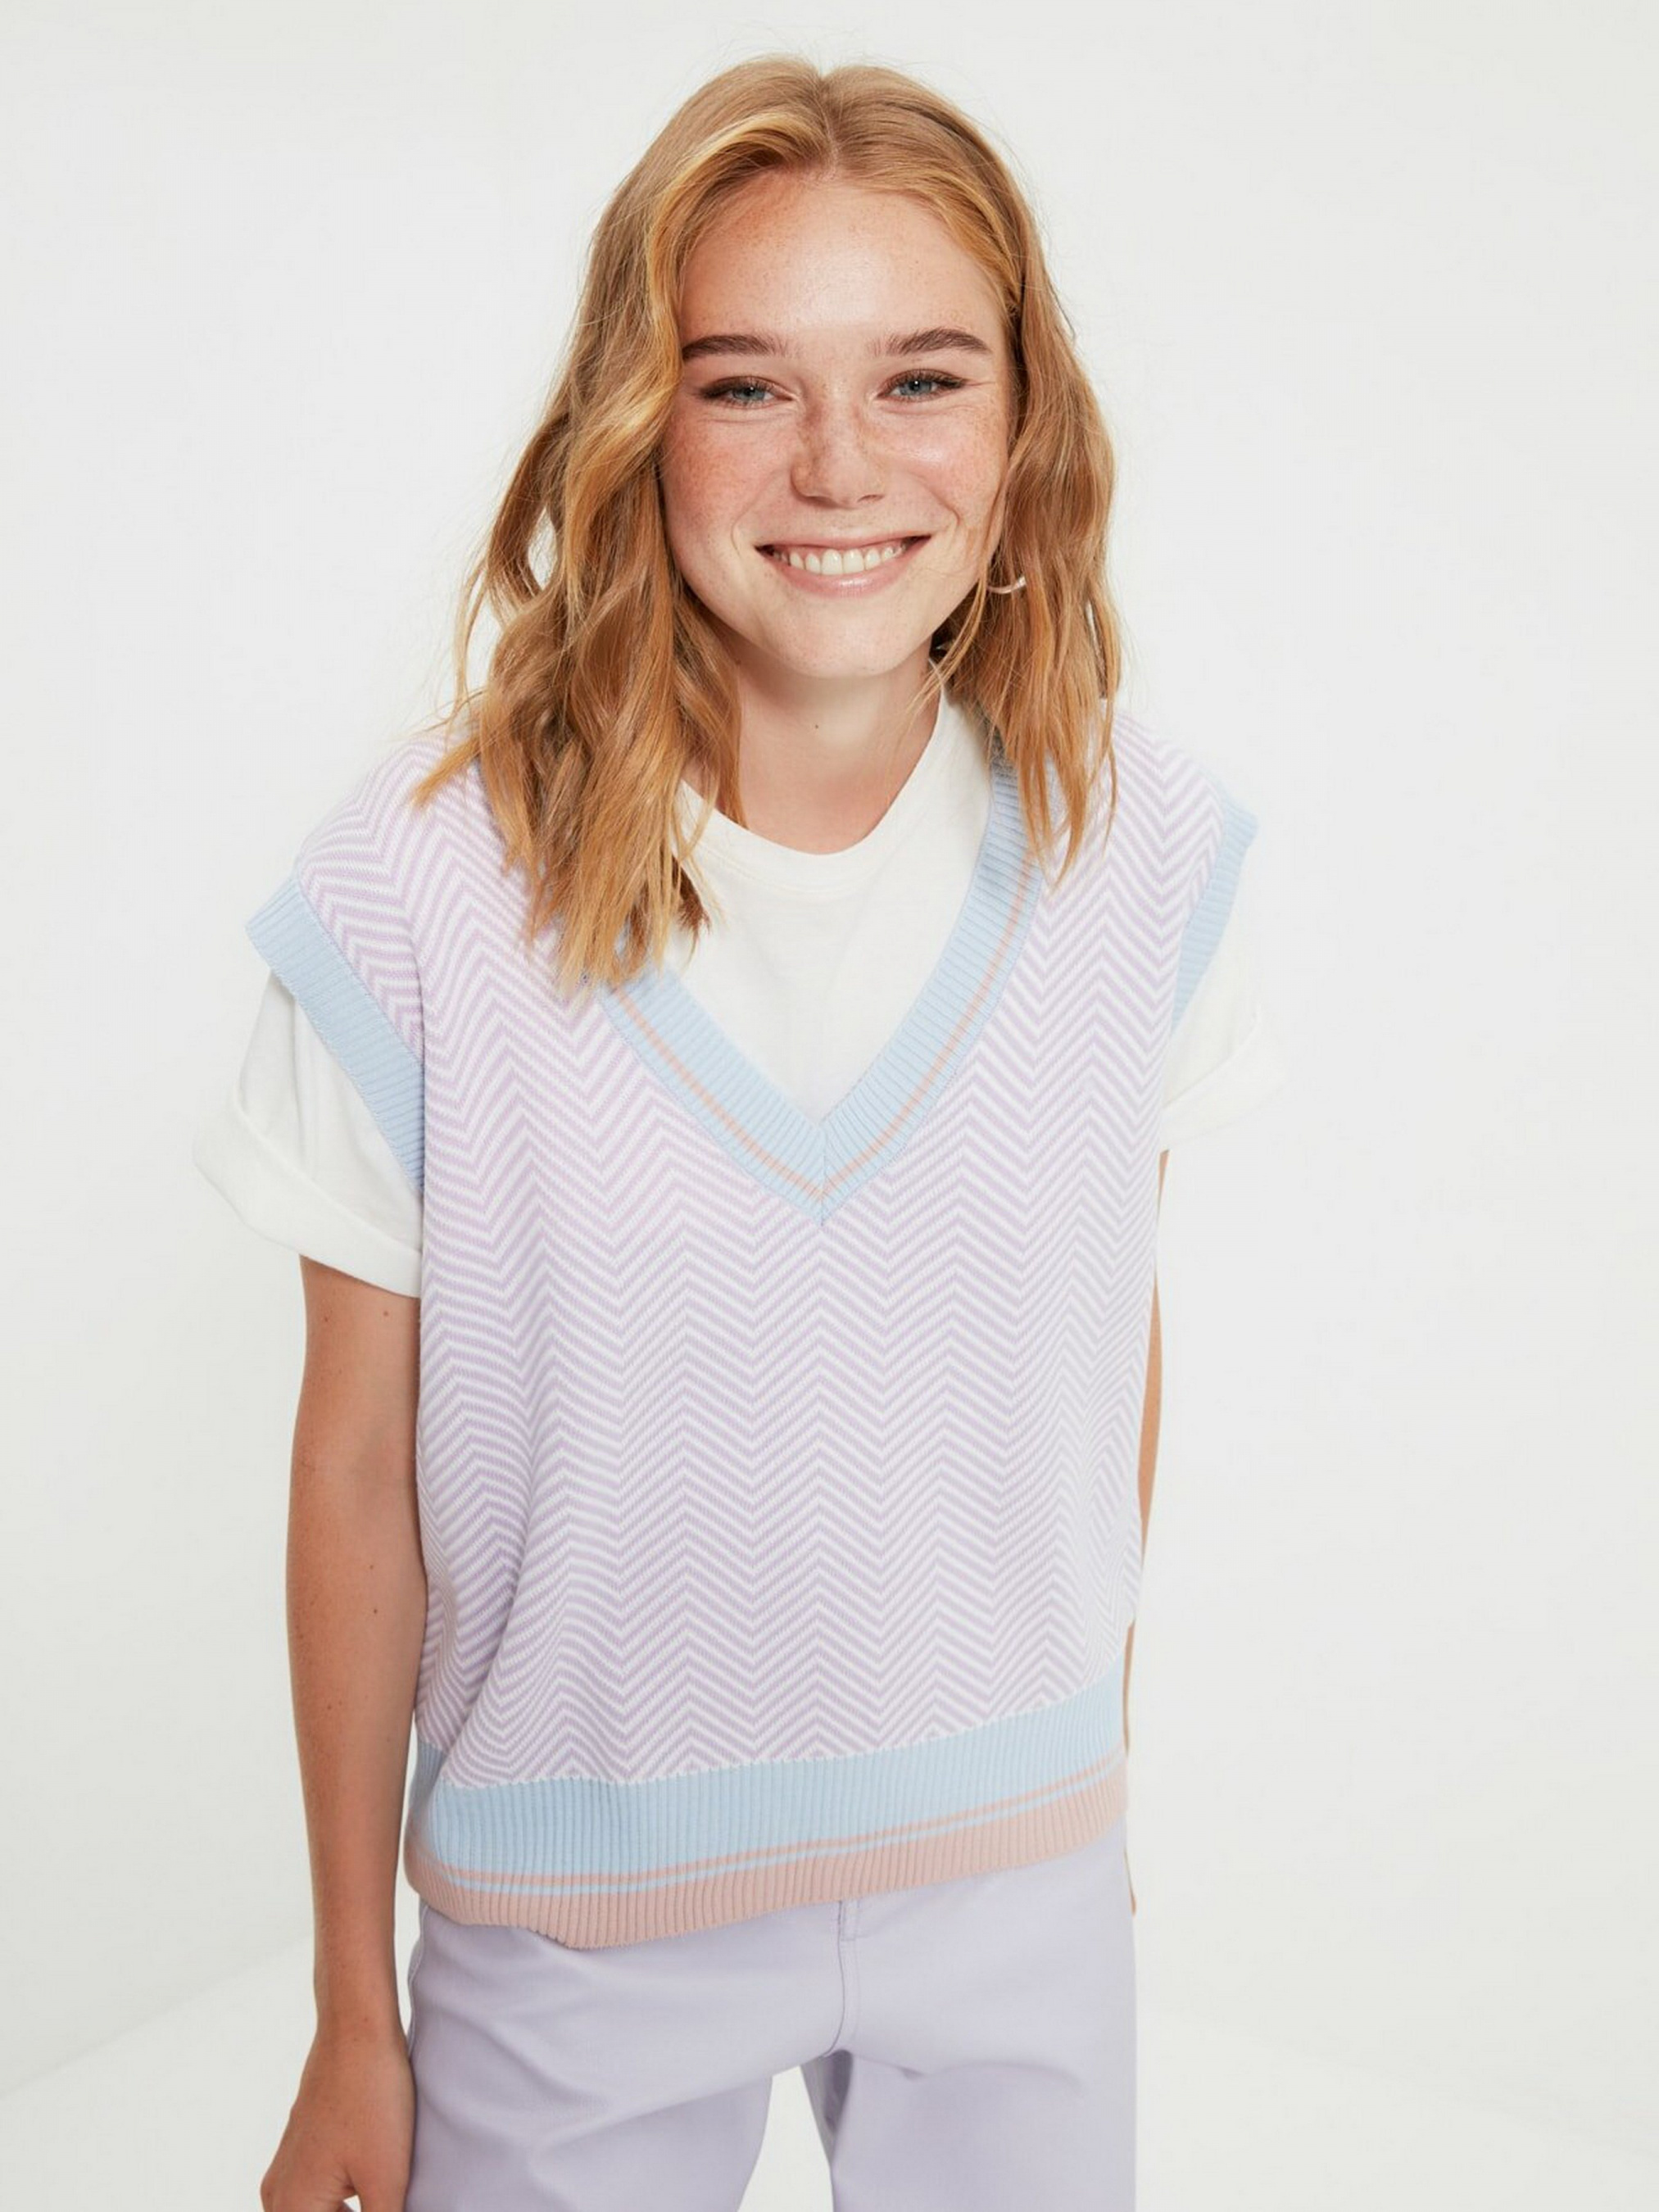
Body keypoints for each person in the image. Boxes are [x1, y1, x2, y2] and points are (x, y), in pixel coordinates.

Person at [195, 53, 1287, 2212]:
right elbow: (351, 1469)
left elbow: (1100, 1345)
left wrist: (1090, 1775)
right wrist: (351, 2008)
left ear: (1026, 424)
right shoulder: (416, 890)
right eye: (746, 386)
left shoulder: (1140, 850)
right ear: (636, 420)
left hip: (1016, 1887)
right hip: (569, 1929)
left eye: (921, 378)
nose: (841, 465)